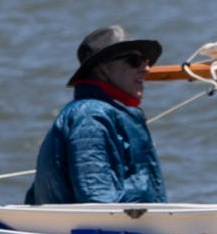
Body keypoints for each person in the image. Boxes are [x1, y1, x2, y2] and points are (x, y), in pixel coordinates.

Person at [27, 24, 169, 205]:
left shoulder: (110, 113)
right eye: (134, 61)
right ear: (102, 68)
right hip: (103, 223)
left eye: (146, 61)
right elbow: (97, 201)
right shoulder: (90, 117)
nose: (146, 69)